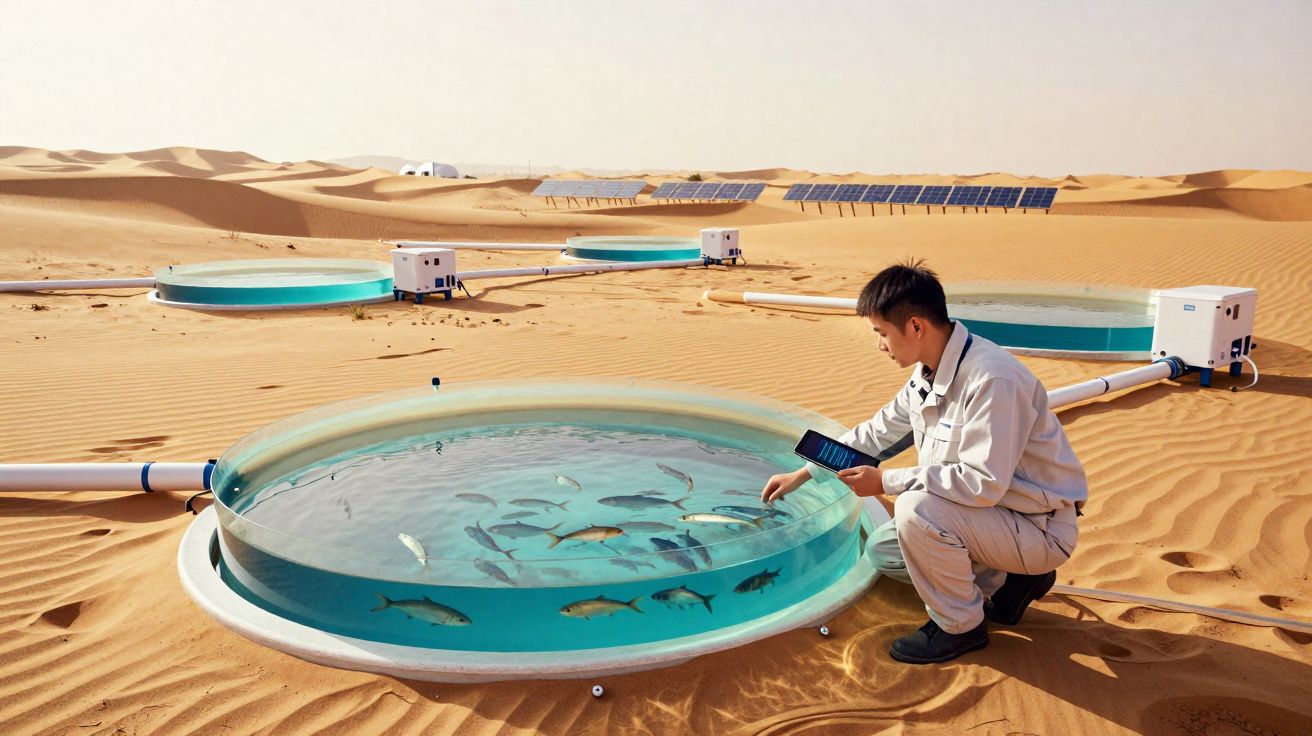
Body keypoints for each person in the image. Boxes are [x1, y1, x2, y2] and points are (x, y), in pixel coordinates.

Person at [760, 259, 1087, 664]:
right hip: (990, 520)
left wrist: (886, 482)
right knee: (886, 551)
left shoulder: (991, 380)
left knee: (917, 510)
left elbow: (982, 482)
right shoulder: (928, 372)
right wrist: (805, 473)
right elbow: (878, 431)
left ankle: (960, 628)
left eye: (882, 333)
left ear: (915, 326)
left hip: (1037, 525)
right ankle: (1011, 582)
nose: (880, 344)